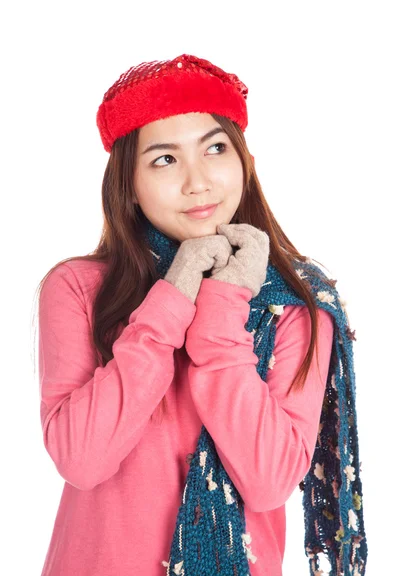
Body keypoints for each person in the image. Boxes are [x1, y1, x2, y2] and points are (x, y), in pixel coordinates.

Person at [34, 53, 368, 575]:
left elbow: (268, 478)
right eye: (164, 159)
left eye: (215, 148)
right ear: (128, 183)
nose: (198, 182)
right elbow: (82, 459)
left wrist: (222, 305)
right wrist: (174, 294)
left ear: (246, 163)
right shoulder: (79, 288)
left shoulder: (295, 306)